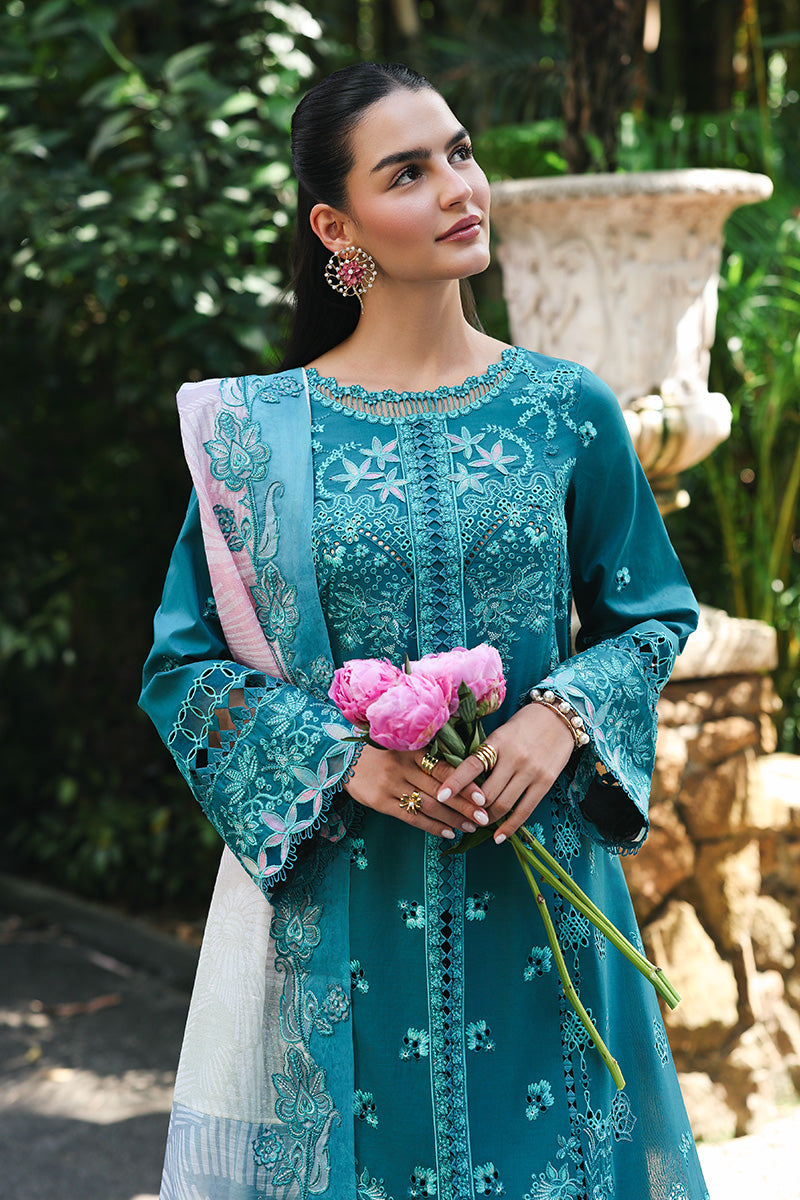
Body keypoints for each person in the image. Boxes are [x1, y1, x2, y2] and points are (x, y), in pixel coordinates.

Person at [140, 61, 709, 1200]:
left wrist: (560, 718)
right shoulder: (255, 436)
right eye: (407, 172)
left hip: (543, 891)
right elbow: (181, 669)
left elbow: (650, 614)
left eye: (459, 152)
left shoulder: (566, 409)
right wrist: (338, 759)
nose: (458, 188)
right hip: (348, 918)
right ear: (336, 226)